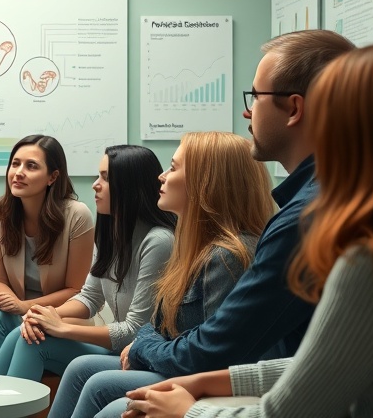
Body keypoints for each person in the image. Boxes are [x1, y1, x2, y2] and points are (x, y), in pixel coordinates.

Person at [123, 43, 373, 418]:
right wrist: (207, 382)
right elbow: (322, 365)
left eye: (332, 111)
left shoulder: (370, 258)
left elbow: (287, 410)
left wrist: (188, 410)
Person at [50, 132, 274, 418]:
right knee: (81, 369)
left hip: (199, 376)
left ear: (206, 183)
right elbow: (154, 323)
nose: (161, 176)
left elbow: (211, 355)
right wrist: (144, 342)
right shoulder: (193, 245)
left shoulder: (227, 256)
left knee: (99, 385)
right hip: (169, 359)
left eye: (173, 167)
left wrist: (141, 347)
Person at [0, 145, 175, 382]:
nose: (95, 184)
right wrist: (43, 315)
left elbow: (133, 330)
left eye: (105, 178)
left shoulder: (159, 241)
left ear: (130, 187)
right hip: (116, 349)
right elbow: (89, 298)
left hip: (138, 355)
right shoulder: (111, 236)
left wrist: (62, 327)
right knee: (24, 333)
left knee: (31, 340)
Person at [0, 135, 94, 371]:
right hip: (17, 313)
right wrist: (12, 303)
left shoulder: (77, 215)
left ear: (52, 177)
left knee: (23, 332)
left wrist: (25, 307)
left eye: (31, 166)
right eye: (15, 164)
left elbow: (77, 290)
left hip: (62, 317)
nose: (19, 172)